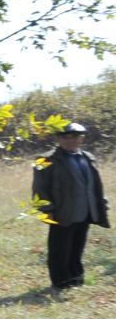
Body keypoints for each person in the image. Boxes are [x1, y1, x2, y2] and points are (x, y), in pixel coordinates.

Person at [32, 122, 107, 290]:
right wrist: (47, 211)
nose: (70, 140)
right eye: (65, 137)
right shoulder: (44, 159)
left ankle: (77, 279)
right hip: (61, 211)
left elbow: (94, 184)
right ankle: (61, 282)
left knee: (77, 247)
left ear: (82, 138)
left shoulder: (88, 157)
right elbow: (39, 188)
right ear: (58, 139)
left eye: (74, 137)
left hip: (86, 210)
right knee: (59, 249)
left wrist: (101, 203)